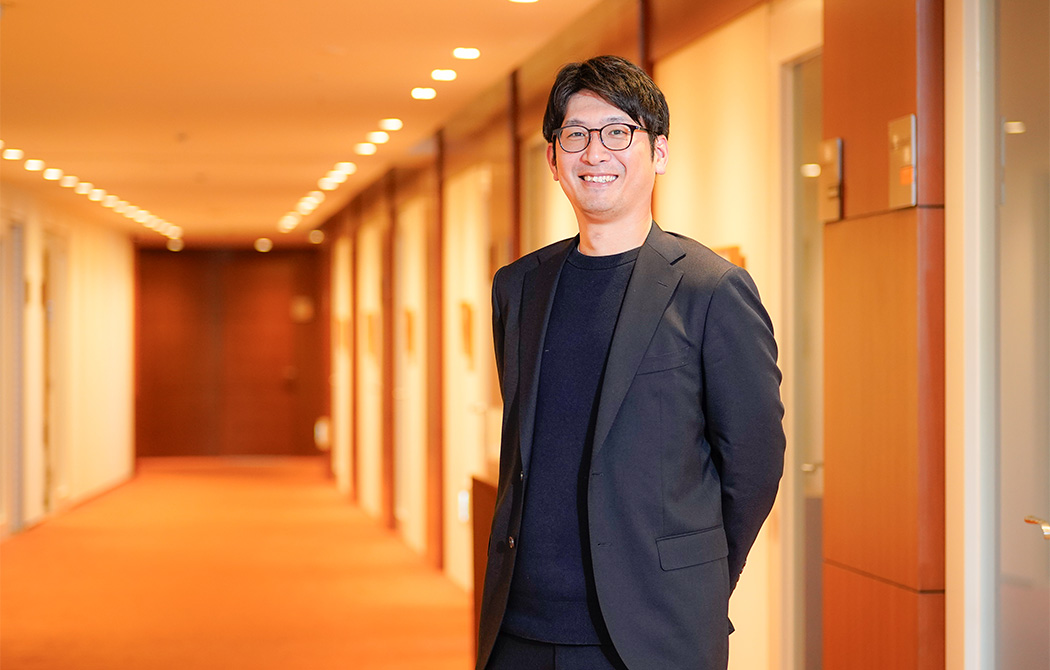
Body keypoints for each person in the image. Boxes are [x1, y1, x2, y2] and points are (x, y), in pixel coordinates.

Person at [476, 55, 785, 670]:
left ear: (659, 152)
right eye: (575, 135)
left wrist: (692, 577)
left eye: (618, 132)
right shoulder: (519, 286)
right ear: (553, 159)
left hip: (651, 633)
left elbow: (753, 465)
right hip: (520, 628)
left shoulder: (711, 290)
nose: (595, 153)